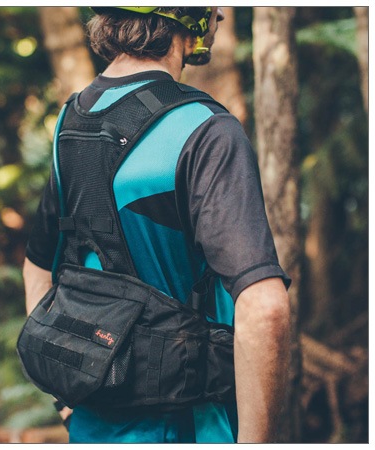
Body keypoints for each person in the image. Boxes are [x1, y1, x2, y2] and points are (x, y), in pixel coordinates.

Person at [22, 6, 291, 443]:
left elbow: (37, 266)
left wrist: (66, 399)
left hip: (90, 423)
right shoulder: (206, 130)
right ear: (193, 19)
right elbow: (265, 307)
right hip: (190, 424)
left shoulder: (70, 121)